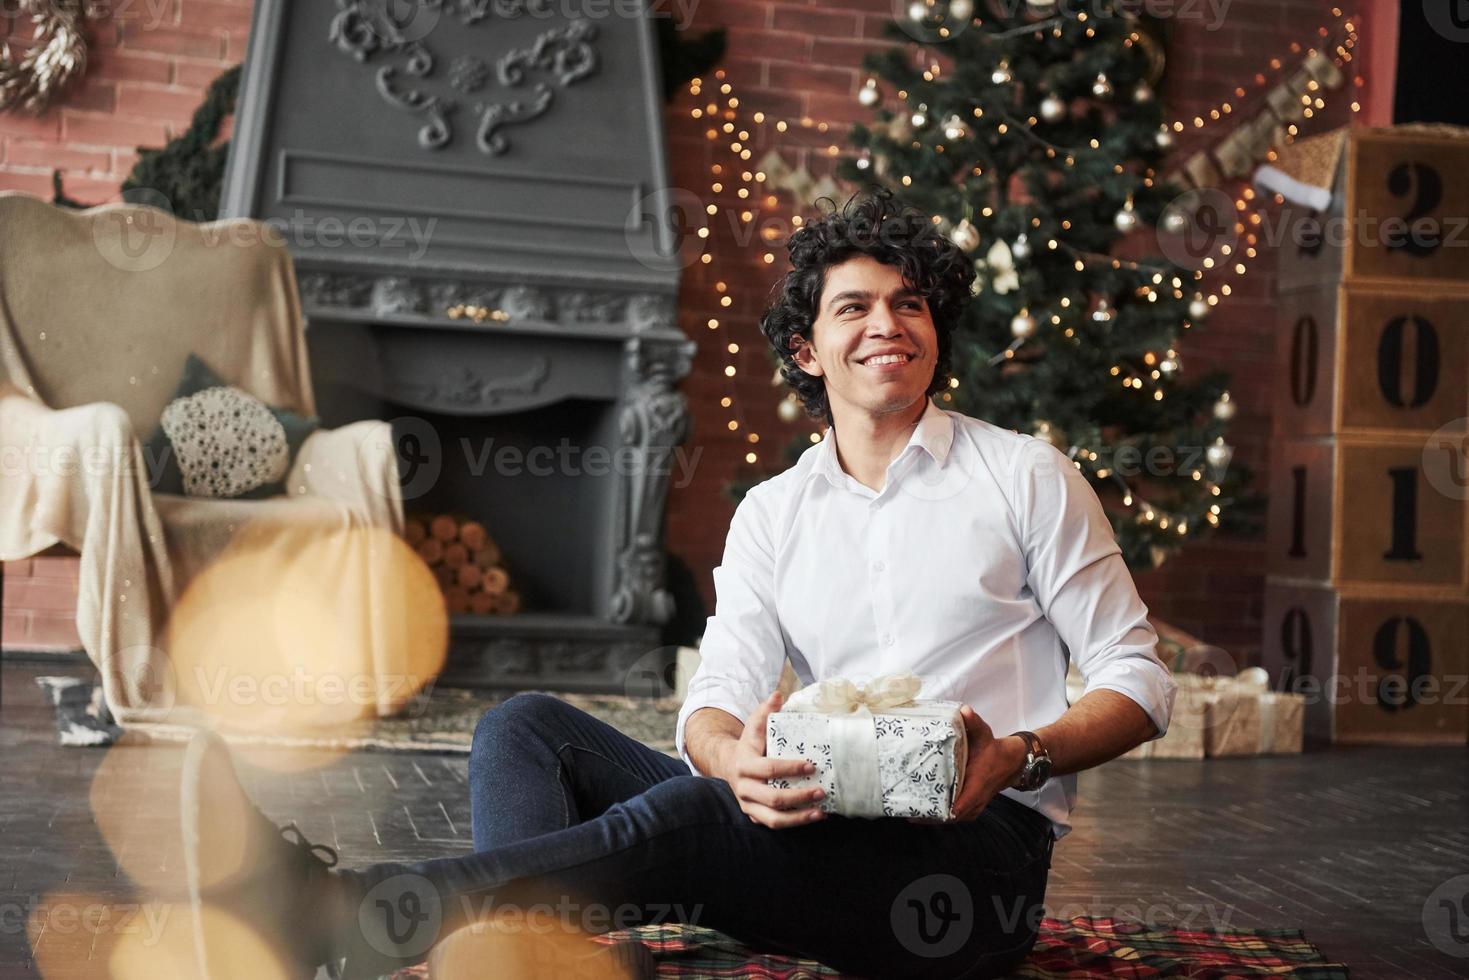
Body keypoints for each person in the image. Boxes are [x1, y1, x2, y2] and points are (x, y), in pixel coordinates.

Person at [178, 189, 1176, 980]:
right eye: (854, 306)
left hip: (971, 867)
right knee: (524, 725)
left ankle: (349, 908)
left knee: (696, 819)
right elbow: (713, 698)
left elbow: (1138, 676)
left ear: (934, 330)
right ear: (805, 347)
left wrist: (1017, 753)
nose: (888, 324)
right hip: (818, 819)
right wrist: (729, 755)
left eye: (908, 302)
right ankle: (542, 955)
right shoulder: (772, 512)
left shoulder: (1021, 474)